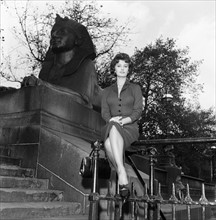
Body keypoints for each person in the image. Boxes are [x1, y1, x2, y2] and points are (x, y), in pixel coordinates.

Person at [101, 53, 143, 199]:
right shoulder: (106, 91)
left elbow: (138, 111)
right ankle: (122, 171)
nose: (122, 68)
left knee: (108, 144)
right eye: (119, 66)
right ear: (114, 68)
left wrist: (124, 121)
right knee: (109, 136)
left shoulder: (135, 88)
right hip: (112, 124)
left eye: (125, 66)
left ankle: (120, 172)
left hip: (130, 127)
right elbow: (104, 113)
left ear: (129, 69)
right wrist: (112, 119)